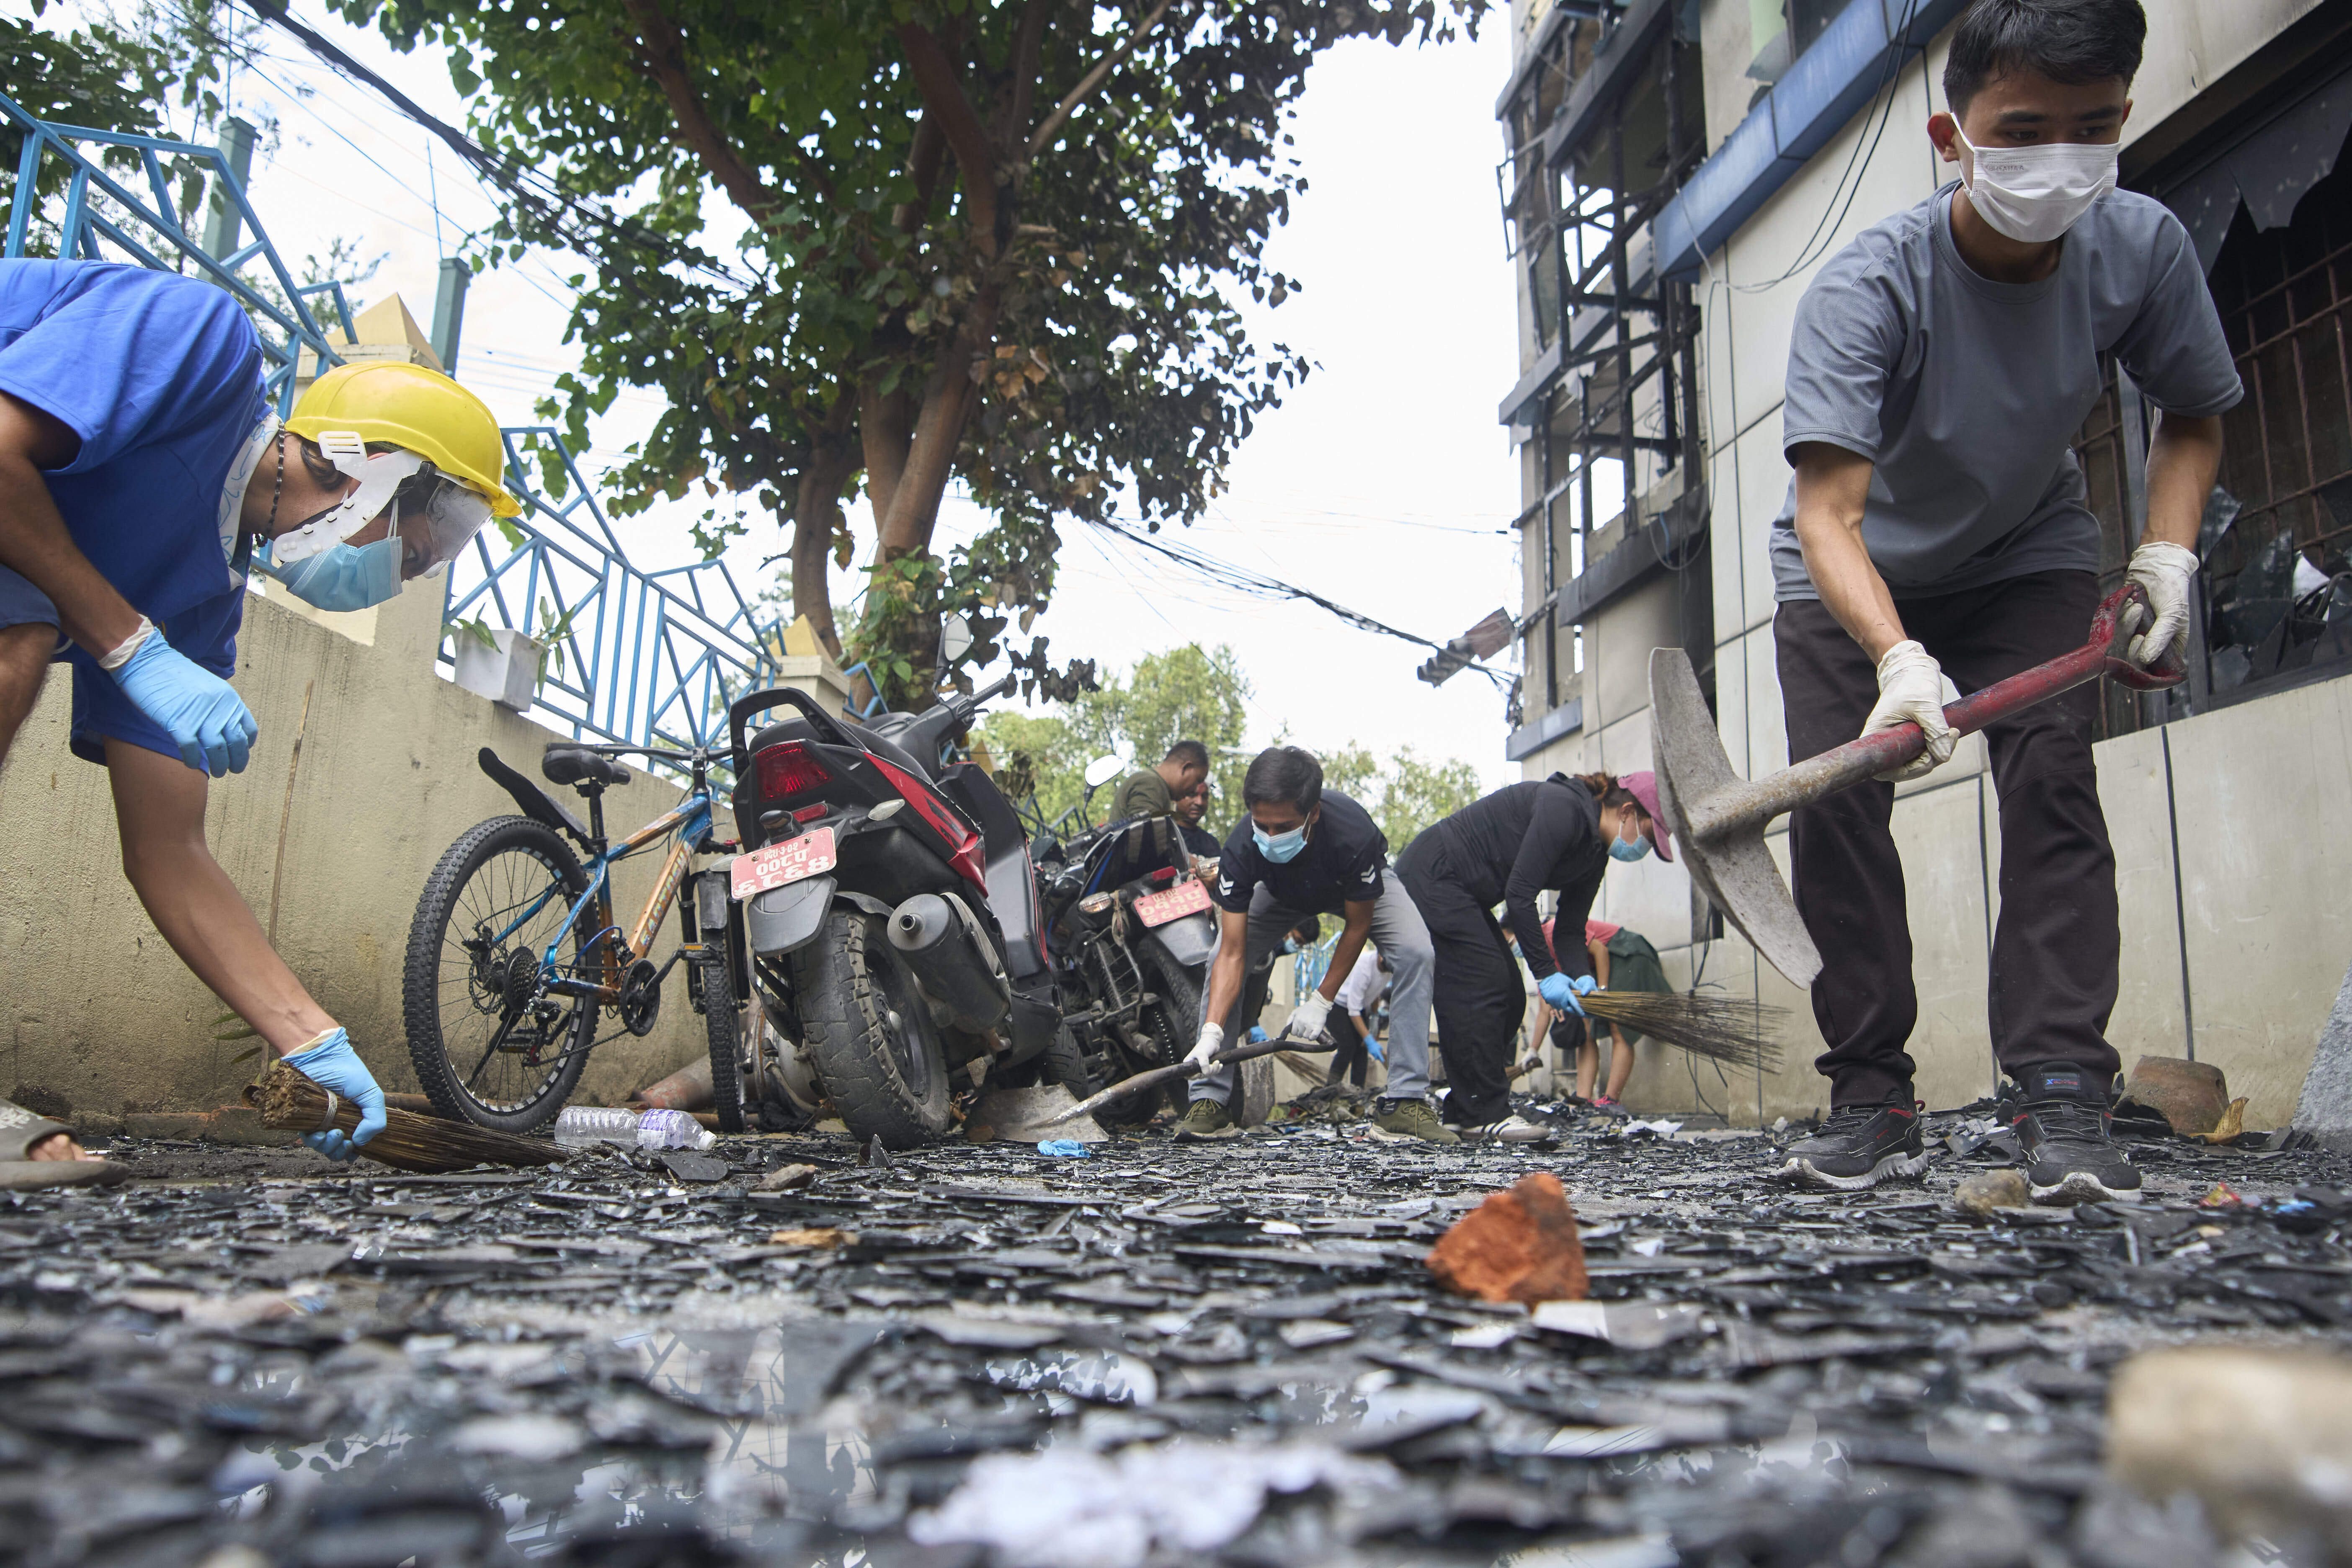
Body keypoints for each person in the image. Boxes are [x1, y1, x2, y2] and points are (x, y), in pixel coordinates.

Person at [1769, 0, 2236, 1200]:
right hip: (1852, 573)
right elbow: (1829, 513)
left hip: (2027, 549)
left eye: (2093, 128)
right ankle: (1871, 1091)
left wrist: (2167, 557)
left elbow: (2193, 411)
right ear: (1952, 136)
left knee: (2053, 780)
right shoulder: (1870, 288)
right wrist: (1898, 660)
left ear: (2124, 119)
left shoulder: (2142, 247)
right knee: (1839, 806)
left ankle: (2062, 1085)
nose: (2060, 160)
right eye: (2023, 132)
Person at [0, 259, 519, 1173]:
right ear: (372, 469)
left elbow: (171, 849)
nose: (416, 572)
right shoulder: (203, 339)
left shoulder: (203, 604)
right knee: (22, 632)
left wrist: (311, 1037)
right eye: (425, 542)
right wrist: (125, 642)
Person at [1176, 745, 1444, 1142]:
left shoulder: (1353, 834)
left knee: (1418, 952)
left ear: (1312, 814)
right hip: (1283, 894)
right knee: (1218, 956)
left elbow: (1357, 926)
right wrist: (1212, 1031)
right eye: (1261, 825)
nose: (1269, 836)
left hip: (1353, 889)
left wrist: (1321, 1000)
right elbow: (1233, 952)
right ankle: (1211, 1102)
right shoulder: (1241, 848)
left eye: (1282, 827)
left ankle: (1406, 1103)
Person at [1396, 771, 1669, 1141]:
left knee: (1509, 995)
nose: (1644, 849)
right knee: (1486, 980)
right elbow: (1520, 895)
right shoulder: (1565, 810)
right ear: (1626, 812)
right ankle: (1485, 1113)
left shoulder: (1594, 856)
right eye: (1649, 837)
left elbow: (1571, 929)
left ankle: (1465, 1111)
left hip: (1464, 892)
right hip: (1433, 873)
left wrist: (1579, 976)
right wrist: (1546, 974)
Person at [1539, 917, 1671, 1109]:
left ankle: (1611, 1100)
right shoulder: (1539, 953)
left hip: (1624, 953)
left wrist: (1602, 991)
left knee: (1618, 1027)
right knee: (1585, 1031)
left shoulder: (1552, 931)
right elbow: (1545, 1003)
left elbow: (1599, 949)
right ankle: (1583, 1099)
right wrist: (1533, 1050)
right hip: (1596, 967)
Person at [1327, 942, 1387, 1089]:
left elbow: (1375, 994)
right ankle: (1329, 1091)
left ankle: (1357, 1093)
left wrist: (1375, 1022)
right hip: (1336, 1004)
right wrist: (1369, 1039)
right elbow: (1353, 1010)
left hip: (1360, 1007)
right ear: (1380, 954)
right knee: (1347, 1046)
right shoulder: (1365, 966)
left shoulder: (1390, 969)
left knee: (1361, 1050)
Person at [1110, 738, 1208, 825]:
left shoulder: (1158, 787)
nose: (1195, 789)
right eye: (1198, 780)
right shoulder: (1150, 784)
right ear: (1186, 768)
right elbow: (1143, 837)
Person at [1172, 777, 1221, 861]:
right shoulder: (1163, 836)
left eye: (1204, 797)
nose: (1200, 802)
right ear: (1176, 797)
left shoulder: (1212, 843)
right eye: (1192, 795)